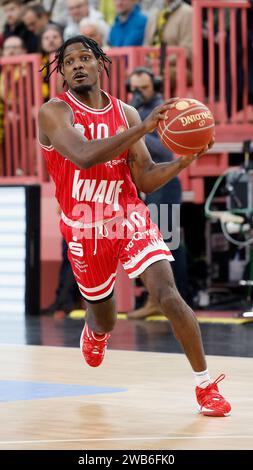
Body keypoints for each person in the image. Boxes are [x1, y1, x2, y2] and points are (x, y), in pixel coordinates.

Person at [38, 35, 231, 417]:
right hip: (85, 223)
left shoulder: (125, 112)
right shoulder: (54, 112)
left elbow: (142, 179)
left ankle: (205, 386)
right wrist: (143, 129)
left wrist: (183, 161)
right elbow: (84, 156)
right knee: (105, 314)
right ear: (61, 72)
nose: (77, 65)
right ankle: (96, 332)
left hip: (128, 213)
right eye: (69, 61)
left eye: (84, 58)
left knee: (168, 294)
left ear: (100, 64)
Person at [126, 67, 190, 319]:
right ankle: (160, 300)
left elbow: (165, 149)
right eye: (135, 88)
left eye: (144, 88)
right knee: (159, 243)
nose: (139, 93)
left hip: (164, 184)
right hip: (150, 185)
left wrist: (136, 131)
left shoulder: (162, 111)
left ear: (155, 85)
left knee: (167, 244)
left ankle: (171, 300)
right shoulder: (135, 111)